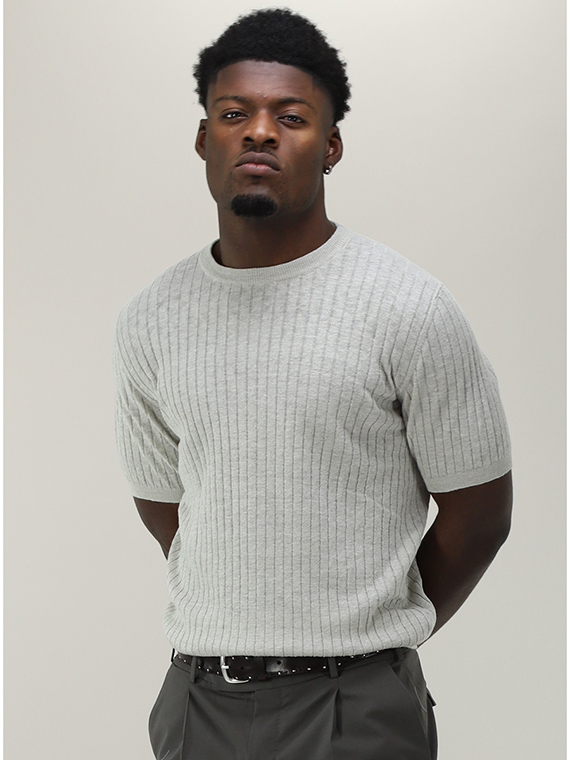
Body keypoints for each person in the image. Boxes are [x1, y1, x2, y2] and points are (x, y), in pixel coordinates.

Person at [113, 8, 513, 759]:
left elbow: (480, 512)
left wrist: (369, 637)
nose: (260, 132)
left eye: (291, 118)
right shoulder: (151, 319)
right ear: (203, 140)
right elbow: (168, 508)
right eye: (234, 114)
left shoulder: (408, 306)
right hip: (197, 705)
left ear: (330, 148)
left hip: (355, 706)